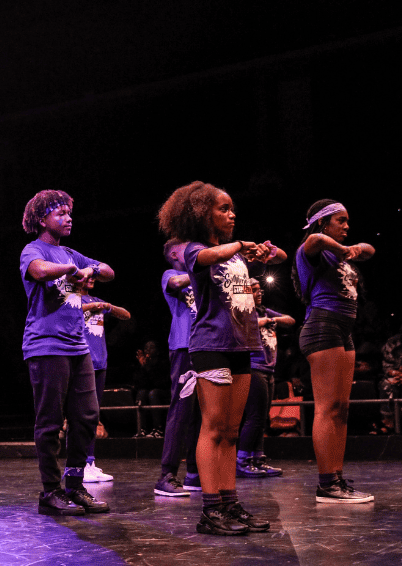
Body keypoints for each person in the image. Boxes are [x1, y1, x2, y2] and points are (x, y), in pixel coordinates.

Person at [157, 180, 284, 535]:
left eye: (232, 210)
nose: (231, 215)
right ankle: (211, 509)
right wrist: (240, 245)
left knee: (232, 429)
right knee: (213, 427)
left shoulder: (236, 255)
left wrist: (259, 258)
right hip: (210, 344)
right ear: (201, 213)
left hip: (242, 345)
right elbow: (207, 258)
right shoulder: (191, 249)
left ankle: (230, 502)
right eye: (223, 209)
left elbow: (280, 258)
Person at [20, 189, 112, 517]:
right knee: (49, 422)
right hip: (45, 345)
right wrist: (73, 272)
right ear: (42, 219)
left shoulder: (71, 253)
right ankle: (50, 491)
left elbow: (108, 271)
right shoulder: (33, 250)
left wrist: (94, 270)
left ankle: (73, 486)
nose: (68, 218)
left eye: (69, 213)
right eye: (60, 213)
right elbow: (39, 271)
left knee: (86, 416)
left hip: (77, 346)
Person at [293, 199, 375, 503]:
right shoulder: (312, 251)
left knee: (342, 408)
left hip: (343, 330)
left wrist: (352, 249)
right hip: (322, 327)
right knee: (327, 408)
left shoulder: (340, 253)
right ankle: (326, 482)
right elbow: (313, 239)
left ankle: (337, 478)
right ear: (323, 222)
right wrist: (342, 250)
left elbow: (369, 250)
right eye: (340, 220)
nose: (346, 226)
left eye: (347, 220)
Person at [154, 240, 200, 497]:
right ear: (173, 254)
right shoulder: (171, 274)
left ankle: (194, 473)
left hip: (206, 346)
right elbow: (177, 284)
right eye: (187, 248)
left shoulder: (202, 273)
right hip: (184, 345)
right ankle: (166, 474)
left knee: (202, 414)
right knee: (181, 410)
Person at [236, 278, 295, 478]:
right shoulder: (243, 314)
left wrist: (272, 319)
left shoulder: (265, 312)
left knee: (262, 419)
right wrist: (266, 321)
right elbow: (247, 325)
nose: (259, 293)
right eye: (254, 290)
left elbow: (290, 320)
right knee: (254, 417)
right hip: (253, 369)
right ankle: (242, 461)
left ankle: (258, 459)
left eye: (260, 290)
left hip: (269, 370)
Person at [80, 279, 130, 483]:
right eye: (88, 275)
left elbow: (125, 315)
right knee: (81, 415)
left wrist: (108, 306)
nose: (92, 279)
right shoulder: (72, 300)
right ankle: (79, 464)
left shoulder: (96, 300)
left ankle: (90, 462)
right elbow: (66, 314)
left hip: (100, 362)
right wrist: (91, 307)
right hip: (82, 361)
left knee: (93, 415)